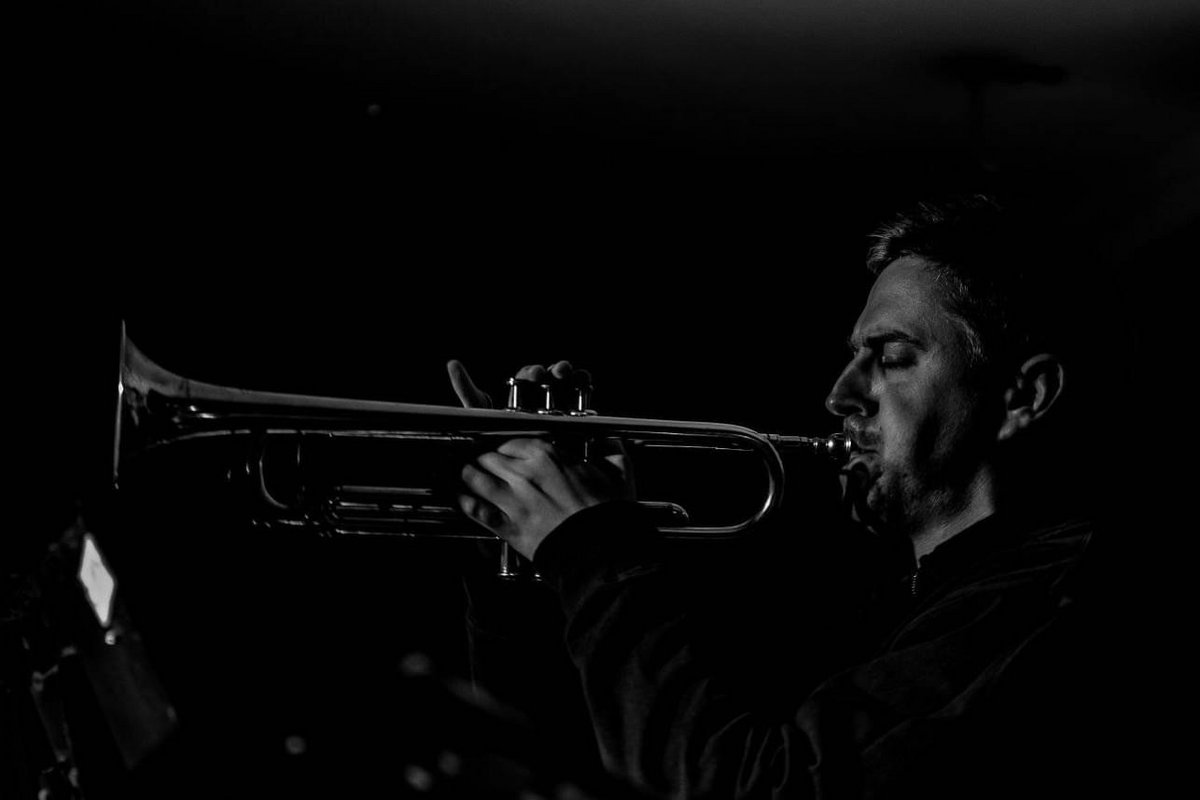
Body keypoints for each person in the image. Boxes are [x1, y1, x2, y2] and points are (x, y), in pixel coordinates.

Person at [447, 195, 1117, 799]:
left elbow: (745, 789)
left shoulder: (1048, 599)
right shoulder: (894, 604)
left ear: (1023, 396)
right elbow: (570, 769)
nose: (839, 395)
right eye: (854, 357)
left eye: (890, 357)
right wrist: (524, 564)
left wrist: (592, 551)